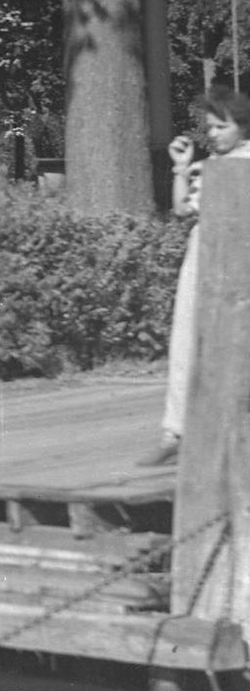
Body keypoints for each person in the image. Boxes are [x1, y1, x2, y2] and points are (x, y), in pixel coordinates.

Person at [142, 86, 250, 467]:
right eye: (210, 127)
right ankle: (176, 430)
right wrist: (181, 167)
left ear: (242, 126)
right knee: (187, 338)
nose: (214, 134)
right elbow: (183, 210)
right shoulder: (209, 166)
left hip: (240, 257)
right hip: (204, 255)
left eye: (222, 126)